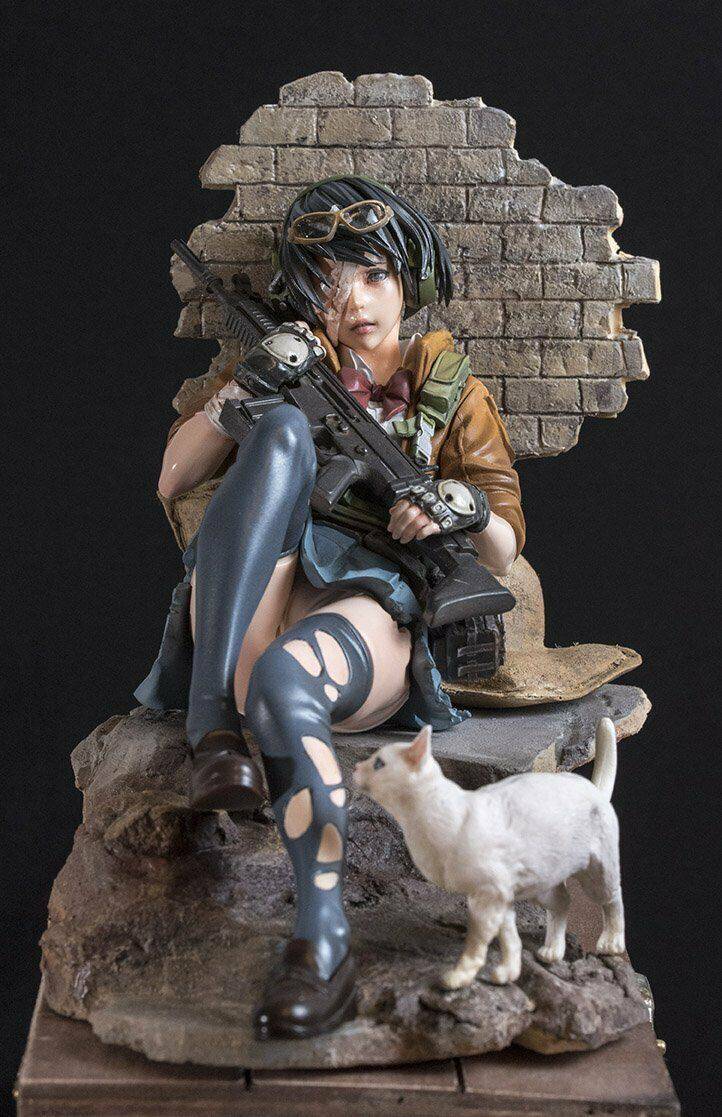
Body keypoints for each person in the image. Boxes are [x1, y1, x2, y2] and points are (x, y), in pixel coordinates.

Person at [135, 176, 525, 1039]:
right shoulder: (288, 360)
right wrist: (249, 387)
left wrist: (459, 506)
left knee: (286, 679)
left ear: (410, 279)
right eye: (333, 282)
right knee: (277, 431)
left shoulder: (447, 386)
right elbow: (172, 477)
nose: (357, 302)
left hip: (365, 607)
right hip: (252, 597)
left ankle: (322, 943)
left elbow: (504, 545)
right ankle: (212, 727)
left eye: (376, 275)